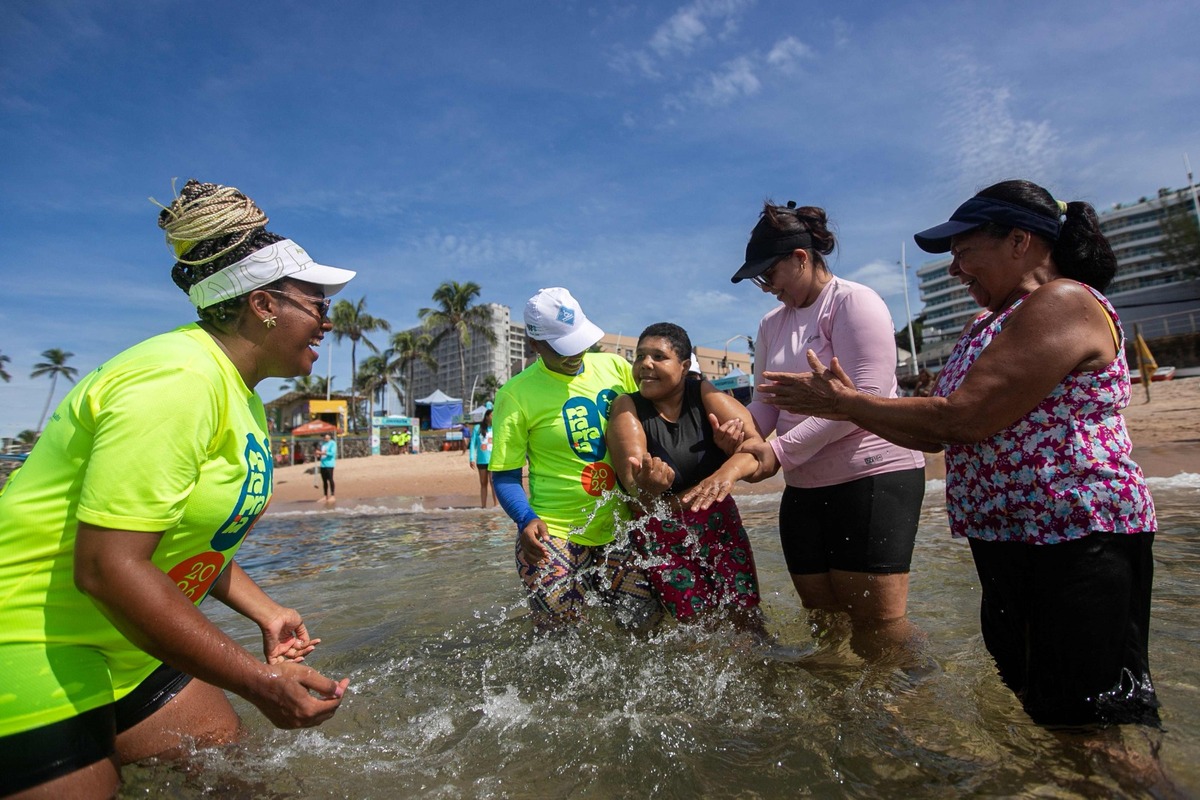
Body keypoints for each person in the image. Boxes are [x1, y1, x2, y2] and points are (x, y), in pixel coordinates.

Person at [755, 180, 1159, 729]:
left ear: (1020, 241)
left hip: (1077, 536)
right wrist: (844, 407)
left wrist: (844, 402)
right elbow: (934, 432)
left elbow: (961, 418)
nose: (955, 270)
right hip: (1011, 539)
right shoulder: (989, 322)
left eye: (965, 252)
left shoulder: (1063, 302)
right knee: (1045, 714)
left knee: (1094, 727)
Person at [0, 179, 353, 798]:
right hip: (31, 635)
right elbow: (109, 568)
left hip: (127, 634)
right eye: (317, 303)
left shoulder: (237, 394)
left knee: (240, 785)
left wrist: (264, 610)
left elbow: (180, 536)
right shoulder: (176, 380)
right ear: (265, 304)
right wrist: (259, 682)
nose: (327, 320)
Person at [730, 201, 927, 661]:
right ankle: (839, 714)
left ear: (801, 258)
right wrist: (742, 432)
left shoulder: (854, 302)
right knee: (824, 620)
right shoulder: (770, 324)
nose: (767, 289)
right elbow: (765, 402)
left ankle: (915, 704)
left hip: (872, 477)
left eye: (769, 276)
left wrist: (778, 453)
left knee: (879, 626)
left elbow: (865, 398)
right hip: (804, 487)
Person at [489, 287, 657, 629]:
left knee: (645, 627)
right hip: (554, 535)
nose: (576, 353)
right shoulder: (516, 395)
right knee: (560, 644)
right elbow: (505, 476)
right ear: (534, 345)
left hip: (620, 526)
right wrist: (525, 519)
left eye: (580, 341)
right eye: (563, 347)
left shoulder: (614, 366)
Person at [606, 323, 769, 632]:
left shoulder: (703, 393)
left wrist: (728, 466)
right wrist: (649, 486)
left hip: (721, 530)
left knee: (748, 620)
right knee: (696, 631)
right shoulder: (627, 406)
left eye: (658, 356)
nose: (645, 365)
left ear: (684, 365)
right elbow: (633, 488)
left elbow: (760, 451)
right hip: (664, 539)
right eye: (640, 356)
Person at [469, 409, 495, 508]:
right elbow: (473, 445)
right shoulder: (478, 428)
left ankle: (495, 505)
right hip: (482, 460)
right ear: (487, 416)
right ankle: (483, 506)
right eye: (492, 415)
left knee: (493, 482)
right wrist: (472, 458)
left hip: (493, 460)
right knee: (483, 483)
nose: (494, 417)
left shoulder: (496, 428)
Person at [318, 432, 337, 504]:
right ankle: (325, 495)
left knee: (330, 479)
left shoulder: (333, 443)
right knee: (324, 481)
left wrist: (321, 453)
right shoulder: (323, 444)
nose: (324, 438)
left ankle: (332, 495)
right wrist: (318, 454)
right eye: (323, 437)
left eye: (325, 436)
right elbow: (321, 453)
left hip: (329, 464)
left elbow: (332, 453)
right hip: (323, 464)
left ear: (329, 436)